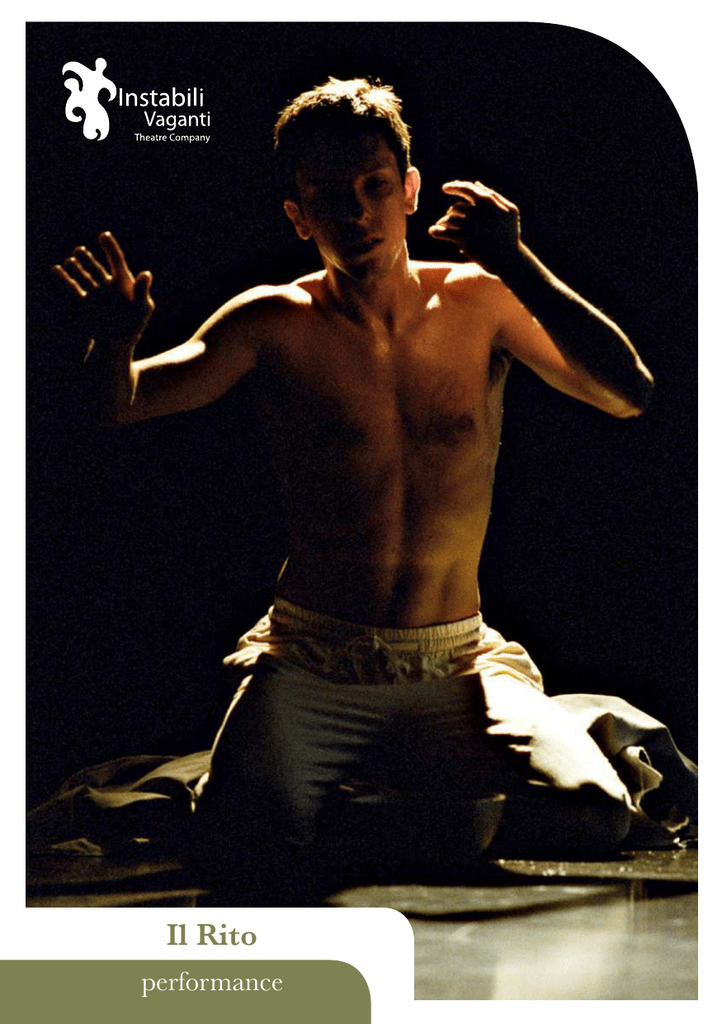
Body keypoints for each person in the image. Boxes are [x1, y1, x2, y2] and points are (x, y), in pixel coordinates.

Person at [53, 78, 691, 903]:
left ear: (409, 191)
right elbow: (119, 406)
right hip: (316, 661)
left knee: (596, 815)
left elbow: (630, 392)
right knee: (241, 846)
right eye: (328, 196)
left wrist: (514, 258)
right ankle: (329, 792)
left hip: (456, 661)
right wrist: (113, 343)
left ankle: (363, 798)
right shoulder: (270, 320)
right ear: (298, 215)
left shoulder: (480, 300)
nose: (355, 211)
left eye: (374, 187)